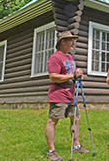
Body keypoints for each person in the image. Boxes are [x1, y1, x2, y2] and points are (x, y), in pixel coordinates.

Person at [45, 31, 90, 161]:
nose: (73, 43)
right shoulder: (55, 58)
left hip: (71, 95)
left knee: (75, 118)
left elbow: (70, 74)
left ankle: (76, 146)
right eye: (70, 40)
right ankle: (51, 151)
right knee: (53, 121)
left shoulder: (70, 57)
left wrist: (78, 75)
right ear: (62, 42)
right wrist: (73, 75)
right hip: (58, 95)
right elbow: (53, 77)